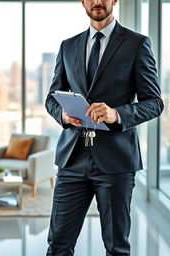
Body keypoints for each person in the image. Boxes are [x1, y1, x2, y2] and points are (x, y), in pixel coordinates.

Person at [45, 0, 164, 255]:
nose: (97, 2)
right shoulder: (68, 46)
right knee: (58, 245)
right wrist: (64, 115)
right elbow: (51, 98)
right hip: (72, 159)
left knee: (116, 248)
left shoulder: (136, 44)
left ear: (114, 1)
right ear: (83, 2)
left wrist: (116, 114)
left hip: (116, 162)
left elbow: (154, 103)